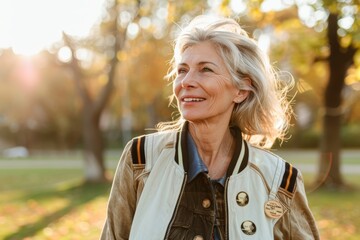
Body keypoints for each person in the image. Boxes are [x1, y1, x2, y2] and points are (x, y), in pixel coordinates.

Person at [100, 15, 320, 240]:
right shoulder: (141, 160)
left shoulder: (279, 180)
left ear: (241, 90)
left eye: (205, 69)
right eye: (182, 70)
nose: (186, 81)